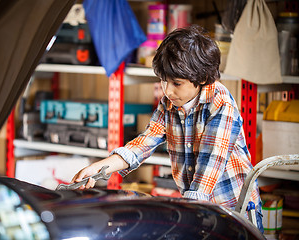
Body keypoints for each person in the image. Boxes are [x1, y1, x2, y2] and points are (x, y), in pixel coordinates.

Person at [70, 25, 263, 232]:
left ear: (203, 78)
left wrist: (188, 217)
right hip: (200, 208)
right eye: (163, 81)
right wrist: (99, 168)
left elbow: (210, 163)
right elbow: (144, 142)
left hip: (234, 211)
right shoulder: (169, 103)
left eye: (176, 83)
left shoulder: (220, 103)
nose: (167, 91)